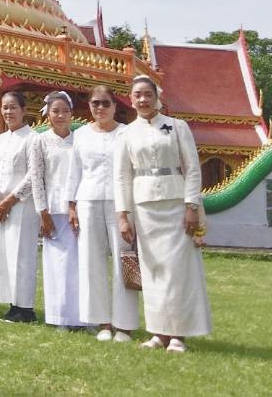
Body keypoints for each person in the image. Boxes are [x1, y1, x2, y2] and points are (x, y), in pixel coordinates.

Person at [115, 75, 211, 352]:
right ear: (130, 100)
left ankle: (179, 334)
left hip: (176, 203)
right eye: (137, 95)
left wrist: (191, 205)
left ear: (157, 97)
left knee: (178, 271)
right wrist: (124, 214)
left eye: (148, 94)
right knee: (153, 269)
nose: (143, 100)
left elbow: (192, 168)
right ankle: (158, 333)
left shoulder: (178, 127)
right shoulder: (126, 133)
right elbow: (122, 177)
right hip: (144, 207)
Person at [68, 85, 139, 342]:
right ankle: (103, 323)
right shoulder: (82, 135)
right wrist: (71, 205)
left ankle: (125, 325)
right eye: (95, 103)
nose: (100, 108)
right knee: (92, 263)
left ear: (115, 105)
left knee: (124, 262)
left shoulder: (127, 133)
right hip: (88, 200)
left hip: (120, 205)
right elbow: (74, 171)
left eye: (105, 103)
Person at [0, 87, 40, 323]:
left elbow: (33, 175)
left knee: (22, 256)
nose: (8, 112)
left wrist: (9, 201)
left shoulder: (32, 138)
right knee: (5, 256)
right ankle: (12, 304)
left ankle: (26, 308)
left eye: (13, 107)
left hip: (21, 205)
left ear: (23, 110)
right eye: (5, 107)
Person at [30, 90, 80, 328]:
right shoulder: (40, 140)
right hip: (52, 211)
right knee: (56, 266)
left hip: (77, 211)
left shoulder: (79, 140)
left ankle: (81, 317)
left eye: (65, 111)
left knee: (77, 266)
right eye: (55, 111)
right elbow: (37, 178)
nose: (60, 115)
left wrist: (78, 205)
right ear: (47, 114)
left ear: (72, 113)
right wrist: (43, 212)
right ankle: (58, 316)